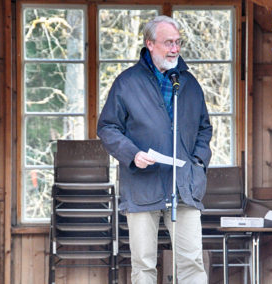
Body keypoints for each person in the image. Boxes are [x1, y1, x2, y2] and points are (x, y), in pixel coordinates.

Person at [97, 15, 212, 284]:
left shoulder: (190, 84)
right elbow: (107, 128)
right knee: (144, 264)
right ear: (150, 44)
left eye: (178, 42)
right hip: (141, 185)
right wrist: (132, 154)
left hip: (184, 185)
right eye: (168, 43)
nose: (175, 48)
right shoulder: (126, 83)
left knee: (192, 263)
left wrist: (197, 163)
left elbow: (204, 129)